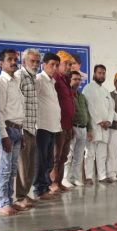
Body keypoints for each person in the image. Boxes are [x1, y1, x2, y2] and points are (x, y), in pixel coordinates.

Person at [0, 48, 27, 216]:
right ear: (1, 63)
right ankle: (3, 202)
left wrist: (22, 134)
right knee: (5, 169)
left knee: (12, 169)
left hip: (18, 130)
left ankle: (10, 200)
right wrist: (3, 136)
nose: (14, 62)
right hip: (6, 130)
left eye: (15, 59)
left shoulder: (16, 81)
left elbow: (19, 109)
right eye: (10, 60)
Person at [13, 48, 40, 208]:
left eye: (37, 62)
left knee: (30, 165)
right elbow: (17, 102)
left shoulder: (33, 77)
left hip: (33, 127)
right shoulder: (19, 76)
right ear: (24, 62)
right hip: (23, 127)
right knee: (22, 165)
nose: (35, 64)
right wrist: (21, 129)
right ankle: (19, 197)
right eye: (32, 61)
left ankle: (25, 194)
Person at [33, 52, 62, 199]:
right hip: (42, 126)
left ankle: (45, 187)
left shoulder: (52, 82)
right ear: (44, 65)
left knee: (49, 160)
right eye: (52, 65)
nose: (55, 68)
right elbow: (32, 100)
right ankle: (39, 190)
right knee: (41, 160)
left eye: (57, 65)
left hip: (52, 127)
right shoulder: (39, 80)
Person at [82, 64, 114, 184]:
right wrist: (99, 121)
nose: (101, 75)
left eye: (103, 73)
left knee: (102, 154)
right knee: (90, 153)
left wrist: (109, 121)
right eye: (99, 73)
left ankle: (102, 176)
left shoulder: (106, 91)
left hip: (105, 127)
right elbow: (89, 106)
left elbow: (111, 108)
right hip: (93, 126)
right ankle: (89, 177)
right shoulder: (88, 88)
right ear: (94, 74)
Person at [51, 50, 76, 193]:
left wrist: (71, 126)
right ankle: (53, 184)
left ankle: (59, 182)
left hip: (68, 125)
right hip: (58, 125)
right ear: (59, 64)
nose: (69, 67)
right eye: (66, 64)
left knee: (63, 157)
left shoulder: (66, 80)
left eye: (70, 65)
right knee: (56, 156)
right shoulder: (55, 79)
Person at [62, 70, 92, 187]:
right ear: (69, 80)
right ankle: (64, 179)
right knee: (68, 155)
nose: (77, 81)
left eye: (79, 79)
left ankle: (74, 178)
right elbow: (66, 113)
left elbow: (87, 113)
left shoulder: (82, 97)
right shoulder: (67, 95)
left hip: (83, 128)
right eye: (75, 79)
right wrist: (69, 128)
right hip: (72, 128)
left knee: (79, 156)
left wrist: (89, 129)